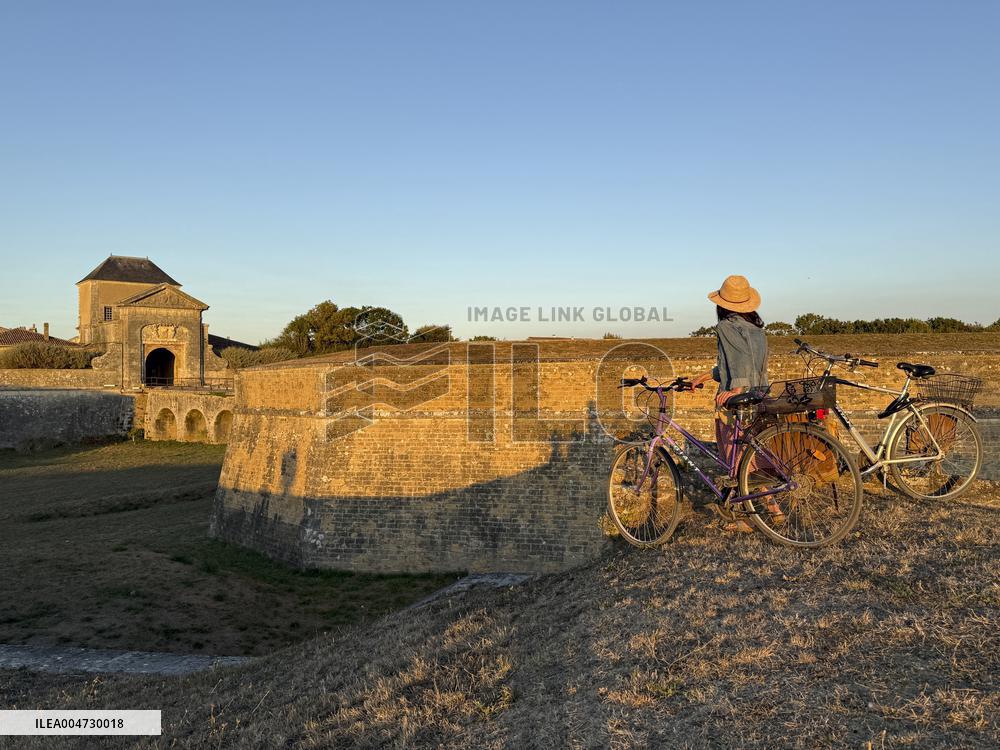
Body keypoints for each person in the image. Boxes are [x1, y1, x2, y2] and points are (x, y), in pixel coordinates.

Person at [689, 274, 778, 531]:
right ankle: (775, 509)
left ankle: (743, 517)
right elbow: (739, 365)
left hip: (739, 400)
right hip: (760, 395)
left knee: (735, 455)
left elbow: (739, 363)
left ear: (722, 304)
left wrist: (736, 390)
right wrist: (703, 377)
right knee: (754, 453)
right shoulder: (757, 330)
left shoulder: (726, 327)